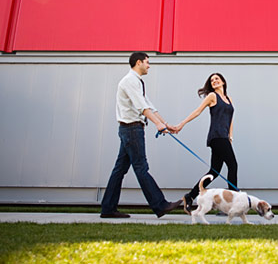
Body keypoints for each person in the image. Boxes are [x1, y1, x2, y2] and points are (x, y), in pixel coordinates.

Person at [100, 52, 182, 219]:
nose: (149, 66)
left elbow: (149, 106)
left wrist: (165, 124)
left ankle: (108, 208)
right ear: (139, 62)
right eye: (147, 62)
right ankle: (160, 205)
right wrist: (157, 124)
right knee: (141, 167)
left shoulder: (137, 82)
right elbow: (141, 107)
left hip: (130, 129)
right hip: (131, 129)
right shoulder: (129, 81)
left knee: (119, 170)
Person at [171, 73, 238, 214]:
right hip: (216, 137)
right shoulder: (212, 97)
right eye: (212, 80)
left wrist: (230, 136)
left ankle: (189, 197)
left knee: (214, 172)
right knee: (233, 165)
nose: (214, 81)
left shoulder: (229, 99)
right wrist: (181, 124)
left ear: (223, 82)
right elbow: (197, 111)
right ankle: (232, 204)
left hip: (224, 138)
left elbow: (230, 119)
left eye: (217, 79)